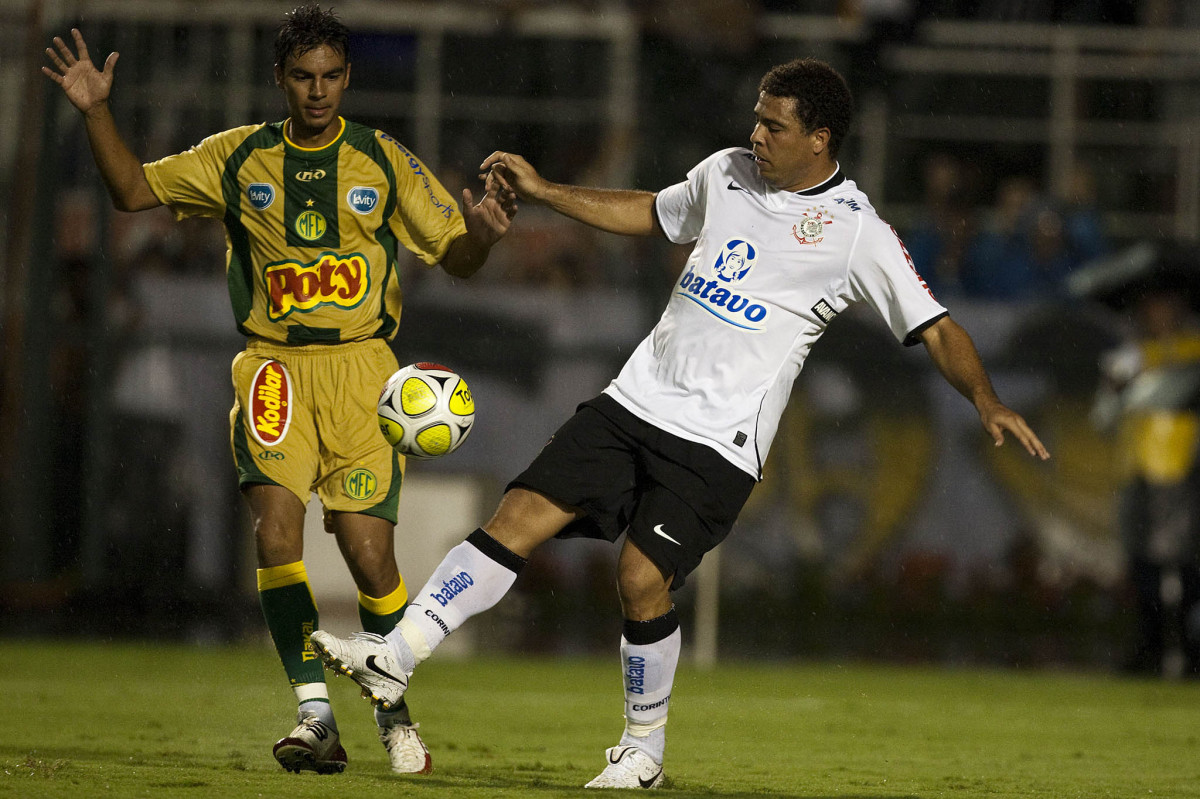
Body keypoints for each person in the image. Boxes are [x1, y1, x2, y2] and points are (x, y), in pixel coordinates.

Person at [310, 57, 1050, 789]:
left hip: (718, 443)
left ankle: (642, 751)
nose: (755, 132)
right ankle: (396, 654)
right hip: (634, 399)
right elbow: (651, 212)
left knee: (640, 577)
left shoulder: (856, 232)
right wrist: (542, 191)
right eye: (757, 116)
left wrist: (986, 398)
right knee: (519, 513)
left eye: (773, 124)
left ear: (820, 139)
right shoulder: (727, 170)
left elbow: (938, 325)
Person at [42, 3, 515, 777]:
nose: (318, 91)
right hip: (275, 370)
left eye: (330, 76)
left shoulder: (384, 161)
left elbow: (455, 256)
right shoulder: (235, 158)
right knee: (274, 533)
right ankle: (316, 716)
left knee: (369, 558)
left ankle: (395, 715)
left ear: (348, 78)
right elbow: (131, 190)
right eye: (302, 77)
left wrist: (485, 235)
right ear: (279, 80)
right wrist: (97, 111)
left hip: (367, 373)